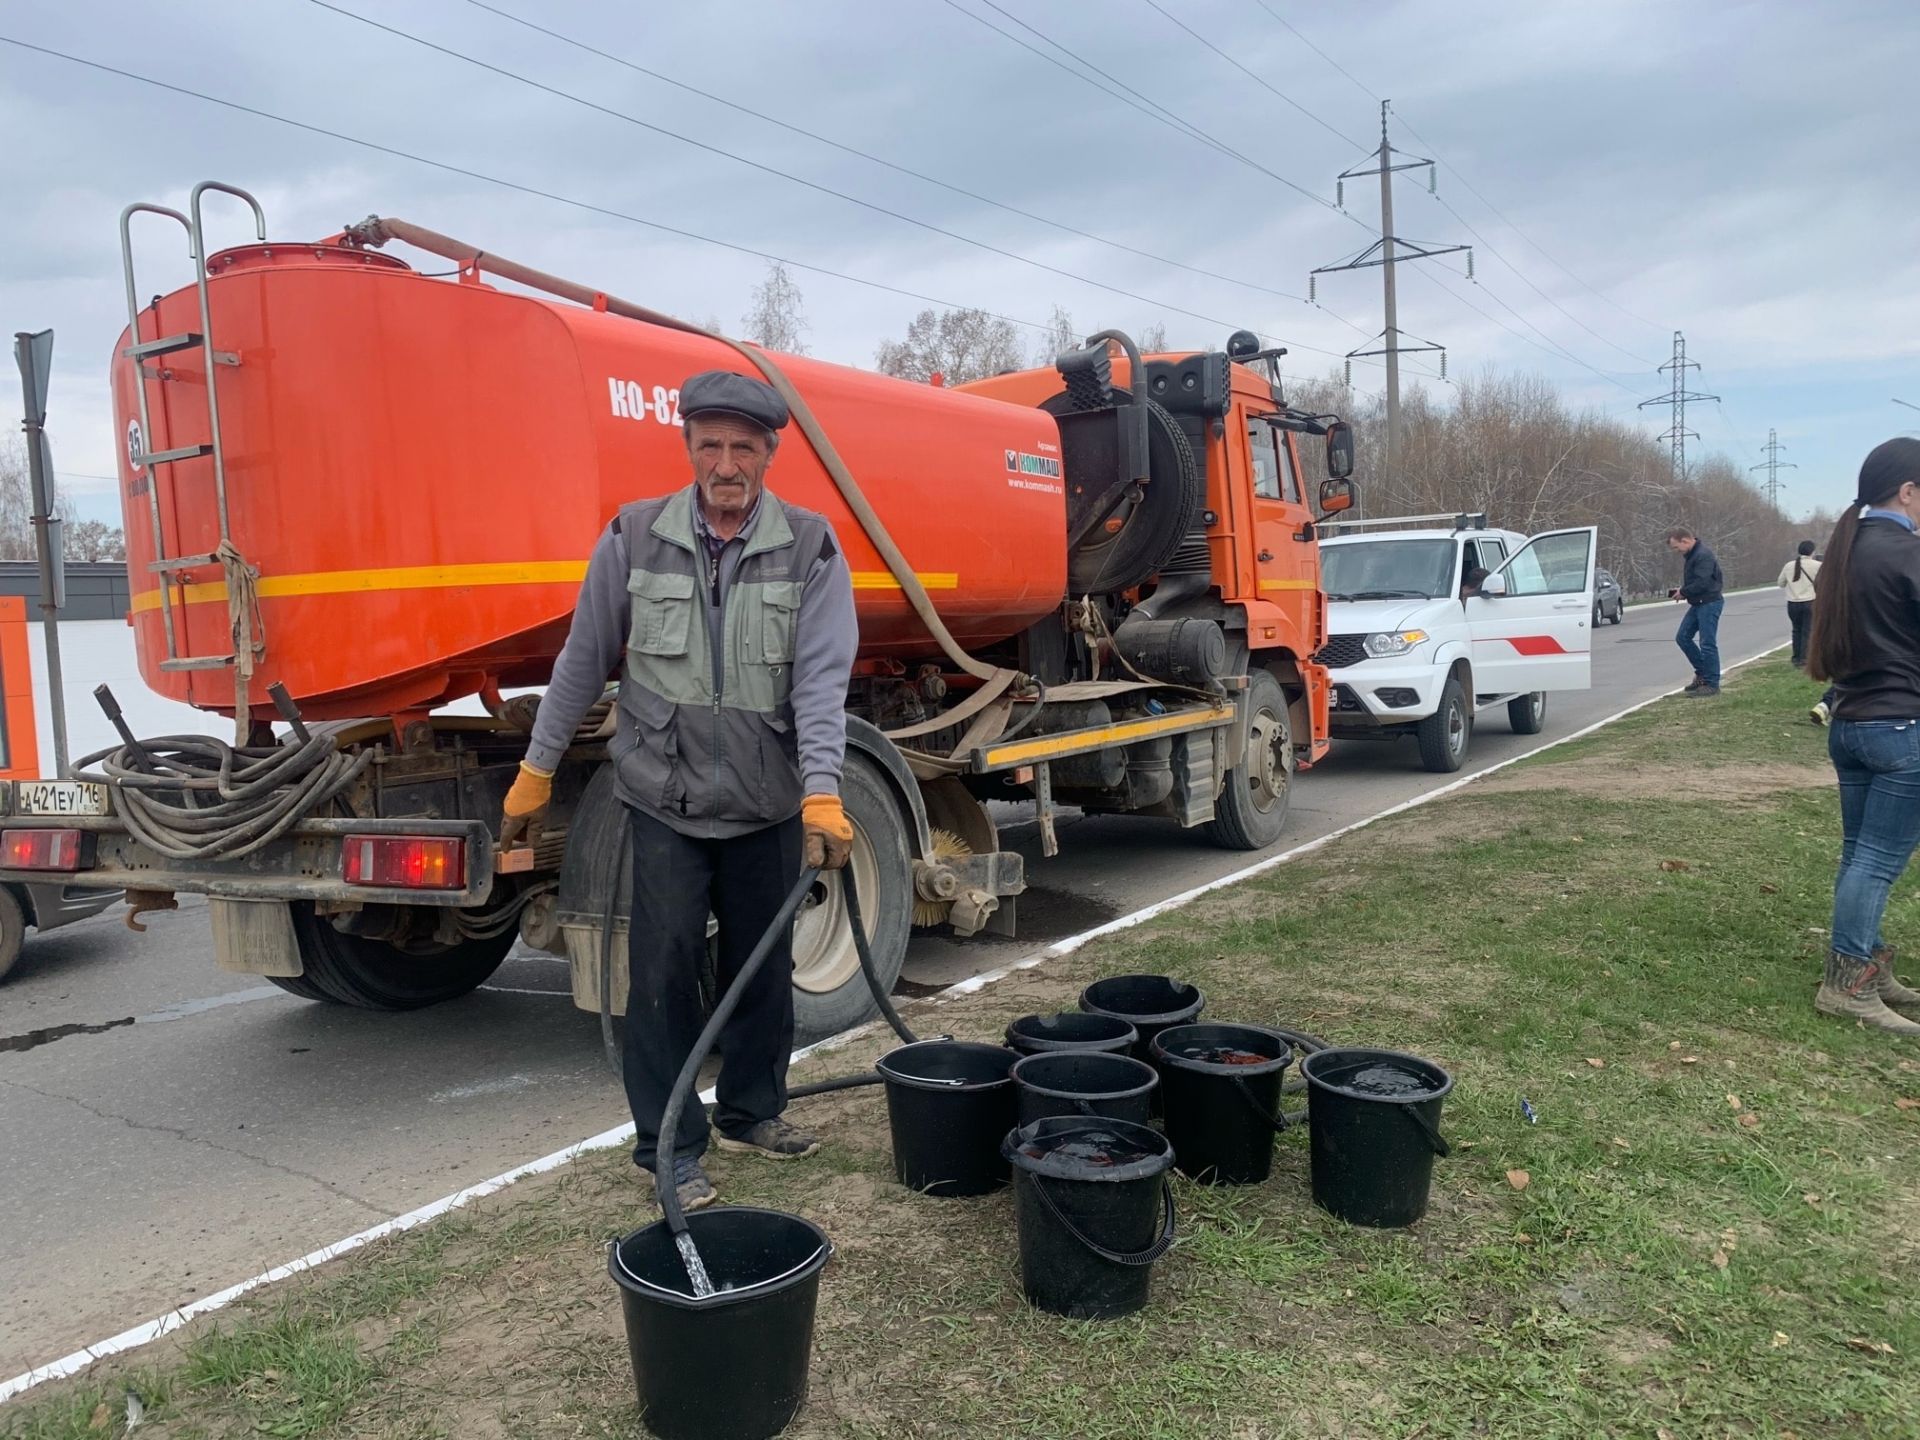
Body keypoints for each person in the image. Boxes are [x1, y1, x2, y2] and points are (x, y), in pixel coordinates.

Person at [500, 370, 860, 1208]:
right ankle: (669, 1146)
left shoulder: (811, 546)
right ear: (689, 448)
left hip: (768, 800)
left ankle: (754, 1111)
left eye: (743, 447)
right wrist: (534, 773)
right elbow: (581, 664)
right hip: (664, 799)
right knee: (660, 975)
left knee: (764, 962)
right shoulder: (633, 536)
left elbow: (820, 683)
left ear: (769, 453)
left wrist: (822, 791)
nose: (725, 463)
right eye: (710, 445)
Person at [1806, 437, 1920, 1037]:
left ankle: (1870, 969)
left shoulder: (1846, 554)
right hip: (1901, 727)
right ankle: (1847, 984)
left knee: (1860, 855)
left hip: (1850, 723)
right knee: (1876, 861)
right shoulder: (1905, 552)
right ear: (1907, 491)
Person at [1665, 527, 1724, 696]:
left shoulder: (1703, 555)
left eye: (1676, 547)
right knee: (1683, 637)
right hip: (1698, 603)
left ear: (1685, 540)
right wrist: (1683, 590)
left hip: (1709, 603)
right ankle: (1703, 673)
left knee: (1707, 643)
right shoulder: (1692, 555)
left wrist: (1684, 592)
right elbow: (1697, 582)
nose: (1676, 551)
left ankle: (1712, 684)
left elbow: (1703, 582)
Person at [1777, 539, 1820, 667]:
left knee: (1796, 630)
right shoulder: (1817, 565)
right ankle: (1804, 658)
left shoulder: (1789, 566)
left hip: (1793, 603)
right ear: (1812, 551)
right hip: (1810, 601)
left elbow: (1780, 583)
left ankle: (1796, 657)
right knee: (1808, 630)